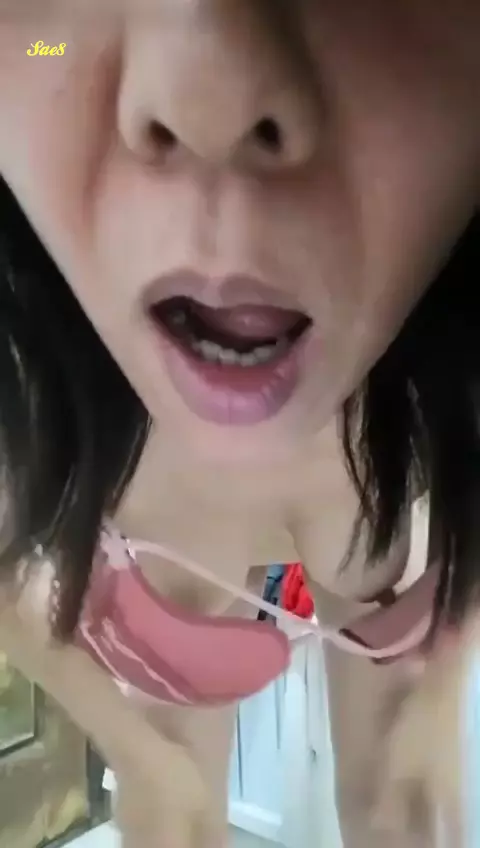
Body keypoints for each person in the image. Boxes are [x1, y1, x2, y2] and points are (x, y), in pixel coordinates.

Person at [0, 2, 479, 846]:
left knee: (402, 815)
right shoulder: (33, 368)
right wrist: (138, 753)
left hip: (372, 573)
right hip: (185, 599)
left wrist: (444, 681)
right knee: (180, 822)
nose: (210, 99)